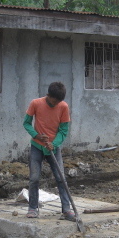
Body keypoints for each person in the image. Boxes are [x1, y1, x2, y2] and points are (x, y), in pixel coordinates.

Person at [22, 81, 75, 221]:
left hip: (53, 148)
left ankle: (67, 209)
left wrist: (54, 144)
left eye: (59, 101)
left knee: (61, 178)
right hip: (37, 146)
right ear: (48, 95)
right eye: (54, 100)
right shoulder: (35, 103)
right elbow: (26, 123)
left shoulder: (63, 107)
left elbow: (64, 131)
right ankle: (33, 208)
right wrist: (36, 135)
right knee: (34, 178)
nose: (56, 103)